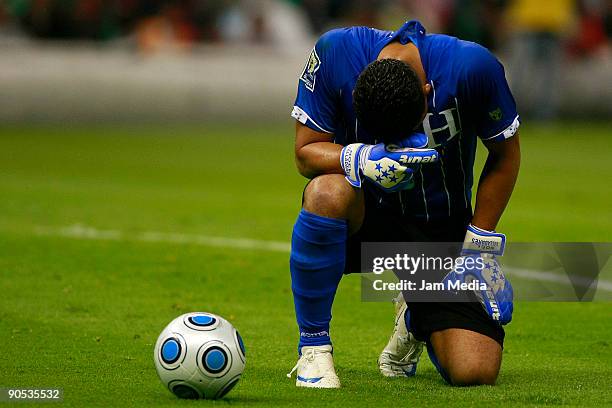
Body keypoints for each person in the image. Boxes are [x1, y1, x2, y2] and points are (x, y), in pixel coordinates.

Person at [286, 20, 520, 388]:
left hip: (437, 229)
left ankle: (414, 315)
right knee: (326, 193)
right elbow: (305, 154)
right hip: (363, 215)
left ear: (428, 92)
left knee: (474, 369)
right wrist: (360, 157)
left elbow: (505, 156)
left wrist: (480, 245)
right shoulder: (335, 53)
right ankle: (314, 349)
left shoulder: (472, 67)